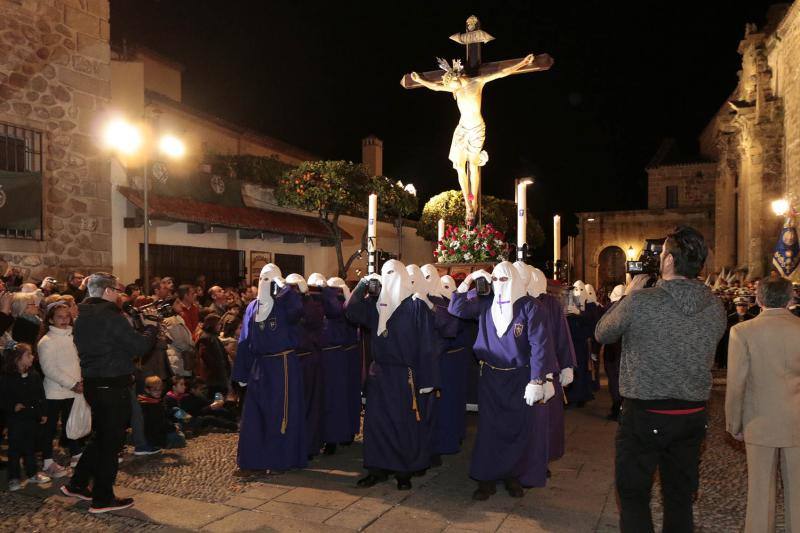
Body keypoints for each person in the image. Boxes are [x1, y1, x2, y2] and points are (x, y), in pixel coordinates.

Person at [595, 226, 726, 533]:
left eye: (663, 254)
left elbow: (603, 332)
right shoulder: (715, 307)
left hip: (645, 412)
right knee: (679, 497)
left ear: (667, 262)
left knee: (634, 495)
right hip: (692, 414)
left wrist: (628, 295)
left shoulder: (642, 302)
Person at [448, 262, 553, 500]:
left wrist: (537, 379)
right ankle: (486, 478)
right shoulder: (486, 303)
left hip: (518, 377)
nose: (498, 285)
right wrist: (469, 280)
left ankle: (512, 476)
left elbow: (540, 345)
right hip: (491, 377)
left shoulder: (530, 307)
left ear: (515, 280)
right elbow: (456, 308)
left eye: (503, 280)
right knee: (489, 429)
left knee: (516, 429)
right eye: (495, 280)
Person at [60, 272, 158, 514]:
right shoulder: (110, 316)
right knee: (111, 444)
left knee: (100, 437)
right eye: (116, 290)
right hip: (113, 386)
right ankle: (103, 498)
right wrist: (151, 328)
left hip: (94, 383)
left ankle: (77, 484)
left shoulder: (82, 314)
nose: (119, 294)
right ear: (107, 292)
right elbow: (138, 346)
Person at [409, 51, 535, 223]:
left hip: (476, 129)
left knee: (473, 163)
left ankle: (473, 200)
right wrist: (420, 80)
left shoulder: (478, 81)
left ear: (456, 75)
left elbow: (501, 73)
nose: (451, 87)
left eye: (451, 81)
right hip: (461, 130)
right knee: (460, 165)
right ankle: (468, 203)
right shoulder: (456, 87)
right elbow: (436, 87)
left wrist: (522, 63)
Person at [346, 259, 438, 490]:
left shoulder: (415, 306)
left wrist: (428, 380)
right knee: (376, 424)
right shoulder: (375, 305)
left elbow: (428, 345)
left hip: (404, 376)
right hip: (379, 373)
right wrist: (363, 284)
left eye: (393, 274)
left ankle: (403, 471)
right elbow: (351, 311)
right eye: (385, 275)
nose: (390, 279)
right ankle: (376, 469)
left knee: (402, 424)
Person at [726, 276, 800, 532]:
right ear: (791, 299)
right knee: (798, 494)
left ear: (758, 299)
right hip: (796, 421)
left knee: (759, 494)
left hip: (758, 420)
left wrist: (733, 422)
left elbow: (736, 384)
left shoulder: (743, 332)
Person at [233, 264, 307, 473]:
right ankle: (253, 460)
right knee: (254, 414)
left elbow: (297, 311)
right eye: (263, 279)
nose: (266, 283)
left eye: (271, 279)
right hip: (259, 366)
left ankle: (279, 459)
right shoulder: (252, 307)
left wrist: (284, 289)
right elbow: (245, 340)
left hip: (282, 365)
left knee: (279, 413)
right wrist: (241, 372)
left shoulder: (285, 305)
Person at [421, 264, 474, 462]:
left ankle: (444, 442)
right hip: (428, 361)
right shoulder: (416, 301)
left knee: (445, 404)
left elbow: (452, 327)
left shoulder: (443, 304)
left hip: (448, 361)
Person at [525, 265, 576, 469]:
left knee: (545, 421)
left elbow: (561, 335)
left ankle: (541, 460)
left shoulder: (551, 304)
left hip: (547, 369)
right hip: (524, 370)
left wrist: (566, 365)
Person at [313, 274, 360, 455]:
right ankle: (340, 433)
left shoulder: (341, 305)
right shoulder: (334, 304)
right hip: (336, 355)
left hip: (338, 356)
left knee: (337, 398)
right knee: (338, 397)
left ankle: (338, 435)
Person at [37, 301, 83, 476]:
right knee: (49, 428)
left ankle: (76, 453)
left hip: (74, 389)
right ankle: (48, 461)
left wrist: (80, 380)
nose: (64, 320)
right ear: (50, 320)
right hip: (55, 391)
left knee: (71, 424)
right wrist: (73, 384)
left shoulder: (72, 336)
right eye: (59, 317)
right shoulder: (47, 341)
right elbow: (49, 369)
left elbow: (77, 361)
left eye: (66, 317)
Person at [0, 342, 51, 491]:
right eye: (28, 355)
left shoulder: (34, 375)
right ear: (17, 359)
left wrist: (43, 413)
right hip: (15, 419)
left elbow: (41, 396)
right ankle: (13, 477)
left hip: (31, 417)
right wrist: (12, 406)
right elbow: (2, 398)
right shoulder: (7, 377)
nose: (32, 357)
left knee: (31, 446)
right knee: (14, 449)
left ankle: (32, 472)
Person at [285, 273, 326, 458]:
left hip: (307, 359)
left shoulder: (312, 306)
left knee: (309, 405)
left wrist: (305, 297)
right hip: (292, 360)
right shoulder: (284, 304)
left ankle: (308, 445)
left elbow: (314, 321)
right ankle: (293, 445)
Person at [165, 376, 237, 433]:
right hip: (184, 423)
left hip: (192, 418)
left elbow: (201, 405)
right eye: (181, 384)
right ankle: (235, 426)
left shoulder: (183, 396)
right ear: (174, 387)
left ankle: (234, 421)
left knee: (216, 411)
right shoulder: (170, 399)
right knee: (209, 418)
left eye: (184, 384)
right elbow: (180, 415)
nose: (184, 386)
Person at [137, 376, 185, 449]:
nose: (158, 392)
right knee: (181, 438)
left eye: (160, 389)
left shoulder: (151, 400)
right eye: (155, 390)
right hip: (156, 436)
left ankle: (188, 422)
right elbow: (161, 422)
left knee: (177, 414)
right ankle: (188, 423)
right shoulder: (154, 403)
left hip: (157, 431)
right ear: (147, 390)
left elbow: (164, 415)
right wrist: (173, 427)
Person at [602, 284, 625, 421]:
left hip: (612, 351)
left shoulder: (609, 310)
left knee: (614, 380)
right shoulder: (630, 307)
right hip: (625, 351)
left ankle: (617, 408)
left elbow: (601, 332)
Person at [196, 314, 230, 400]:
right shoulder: (207, 338)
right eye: (218, 324)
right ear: (212, 325)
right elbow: (211, 361)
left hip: (218, 378)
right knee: (216, 403)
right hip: (214, 379)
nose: (220, 326)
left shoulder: (212, 337)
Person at [716, 296, 755, 369]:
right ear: (736, 307)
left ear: (747, 307)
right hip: (733, 341)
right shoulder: (729, 318)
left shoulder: (752, 318)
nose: (741, 308)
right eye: (739, 305)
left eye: (744, 306)